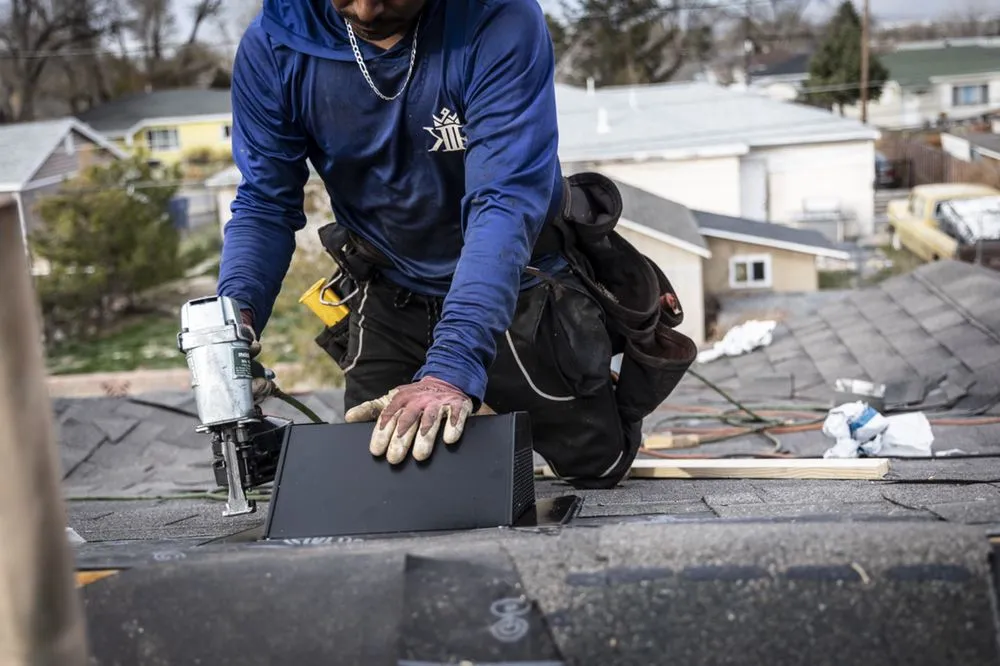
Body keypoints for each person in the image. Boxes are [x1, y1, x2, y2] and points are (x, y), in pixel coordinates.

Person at [218, 0, 694, 489]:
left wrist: (451, 369)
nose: (365, 9)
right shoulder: (276, 44)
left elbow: (503, 203)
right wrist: (233, 321)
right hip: (391, 285)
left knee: (595, 469)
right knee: (382, 485)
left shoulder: (498, 18)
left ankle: (573, 394)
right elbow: (265, 204)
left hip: (518, 282)